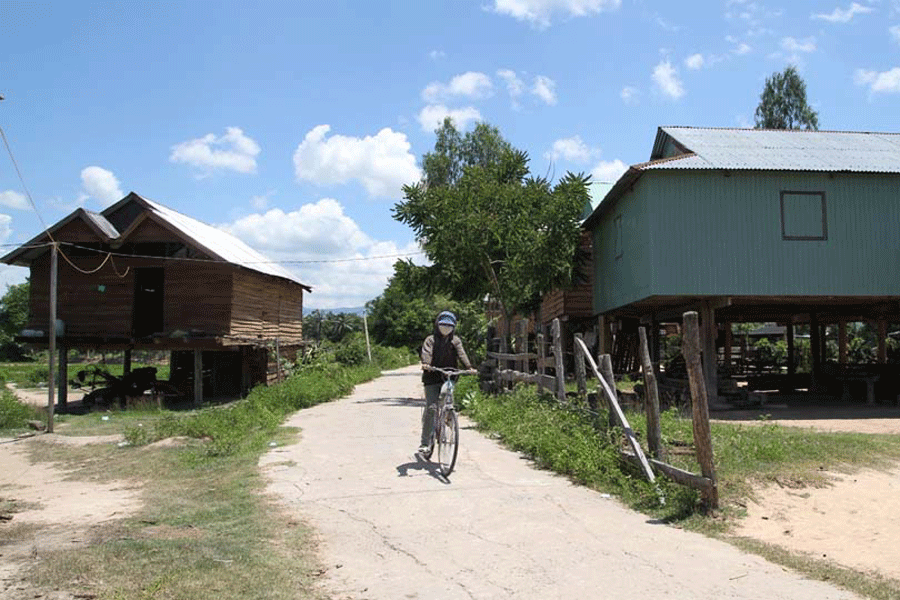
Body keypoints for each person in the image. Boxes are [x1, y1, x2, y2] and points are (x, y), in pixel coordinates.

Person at [418, 310, 473, 454]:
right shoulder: (430, 340)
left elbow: (461, 353)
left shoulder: (455, 340)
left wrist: (469, 367)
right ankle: (425, 443)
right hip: (431, 377)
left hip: (449, 375)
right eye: (443, 325)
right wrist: (426, 364)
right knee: (431, 408)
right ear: (437, 325)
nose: (446, 328)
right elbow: (426, 353)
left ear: (453, 327)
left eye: (449, 326)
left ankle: (448, 416)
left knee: (446, 395)